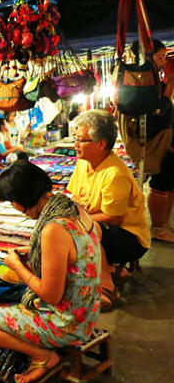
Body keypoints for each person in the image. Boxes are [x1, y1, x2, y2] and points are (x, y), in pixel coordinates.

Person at [0, 161, 101, 383]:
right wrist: (46, 256)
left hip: (67, 324)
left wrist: (17, 266)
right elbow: (86, 250)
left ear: (20, 200)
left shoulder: (53, 229)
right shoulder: (74, 208)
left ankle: (42, 356)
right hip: (88, 311)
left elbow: (50, 296)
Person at [67, 110, 150, 309]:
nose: (76, 144)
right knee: (65, 227)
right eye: (75, 138)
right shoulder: (84, 163)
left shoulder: (114, 174)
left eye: (81, 140)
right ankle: (111, 270)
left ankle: (107, 286)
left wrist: (77, 221)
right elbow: (76, 198)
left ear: (101, 144)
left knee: (86, 229)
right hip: (103, 227)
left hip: (128, 237)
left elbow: (113, 218)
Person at [132, 40, 174, 242]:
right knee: (162, 180)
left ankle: (163, 225)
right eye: (160, 57)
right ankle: (158, 228)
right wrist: (170, 85)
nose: (163, 62)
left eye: (164, 57)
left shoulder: (154, 79)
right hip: (156, 140)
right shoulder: (143, 81)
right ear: (147, 57)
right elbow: (157, 112)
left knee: (169, 180)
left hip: (165, 136)